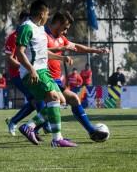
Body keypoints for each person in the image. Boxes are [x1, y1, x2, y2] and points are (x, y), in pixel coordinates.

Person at [16, 0, 77, 147]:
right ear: (42, 13)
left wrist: (61, 57)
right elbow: (19, 53)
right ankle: (57, 139)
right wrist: (31, 70)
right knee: (55, 97)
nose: (48, 17)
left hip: (43, 71)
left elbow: (43, 53)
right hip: (34, 72)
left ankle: (29, 127)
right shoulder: (26, 27)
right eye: (47, 14)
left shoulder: (40, 29)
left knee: (61, 101)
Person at [44, 11, 109, 142]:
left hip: (55, 80)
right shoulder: (43, 36)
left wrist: (96, 50)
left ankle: (31, 127)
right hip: (44, 78)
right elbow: (39, 52)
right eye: (65, 28)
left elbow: (76, 47)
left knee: (68, 101)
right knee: (62, 102)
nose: (66, 31)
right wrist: (61, 51)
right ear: (57, 23)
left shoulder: (60, 38)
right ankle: (30, 127)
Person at [4, 11, 50, 138]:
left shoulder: (34, 32)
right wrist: (25, 67)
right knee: (37, 99)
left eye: (28, 19)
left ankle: (19, 123)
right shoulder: (13, 36)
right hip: (18, 75)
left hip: (31, 73)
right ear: (20, 20)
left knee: (35, 100)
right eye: (24, 19)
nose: (27, 22)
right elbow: (9, 58)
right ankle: (41, 126)